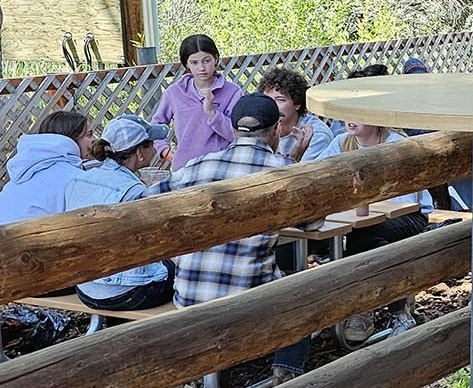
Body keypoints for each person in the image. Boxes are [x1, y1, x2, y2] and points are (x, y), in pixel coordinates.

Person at [145, 94, 308, 384]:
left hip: (188, 299)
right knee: (308, 290)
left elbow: (150, 200)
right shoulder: (283, 171)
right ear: (276, 131)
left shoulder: (199, 166)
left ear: (232, 130)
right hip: (246, 306)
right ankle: (287, 372)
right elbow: (313, 220)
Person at [310, 118, 427, 337]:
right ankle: (395, 310)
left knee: (365, 237)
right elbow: (312, 176)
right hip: (357, 220)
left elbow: (408, 202)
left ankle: (365, 310)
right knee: (363, 239)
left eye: (357, 115)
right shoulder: (341, 142)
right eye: (346, 114)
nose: (349, 121)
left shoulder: (397, 145)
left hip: (410, 214)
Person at [65, 116, 174, 310]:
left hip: (84, 285)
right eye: (151, 145)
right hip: (128, 293)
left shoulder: (79, 179)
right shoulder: (132, 191)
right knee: (178, 269)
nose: (156, 150)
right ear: (140, 152)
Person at [150, 34, 244, 169]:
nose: (201, 68)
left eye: (206, 61)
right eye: (194, 62)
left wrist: (212, 113)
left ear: (216, 59)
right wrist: (165, 150)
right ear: (186, 64)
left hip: (222, 168)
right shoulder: (175, 92)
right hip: (185, 170)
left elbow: (238, 134)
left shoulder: (233, 92)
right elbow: (156, 125)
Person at [0, 110, 92, 226]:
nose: (94, 140)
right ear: (72, 137)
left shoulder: (24, 170)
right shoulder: (74, 178)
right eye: (89, 135)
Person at [259, 68, 335, 163]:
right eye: (267, 99)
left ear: (298, 103)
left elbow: (305, 175)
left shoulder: (317, 134)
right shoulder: (259, 127)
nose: (272, 106)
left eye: (281, 100)